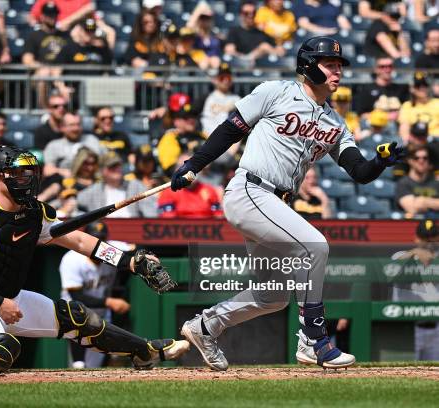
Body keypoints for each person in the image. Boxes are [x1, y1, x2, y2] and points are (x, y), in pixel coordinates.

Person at [170, 36, 406, 371]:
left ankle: (205, 327)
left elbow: (359, 171)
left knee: (273, 296)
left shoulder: (336, 123)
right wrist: (194, 164)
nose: (337, 70)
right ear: (309, 65)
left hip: (276, 203)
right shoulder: (276, 91)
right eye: (329, 64)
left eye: (339, 65)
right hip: (251, 189)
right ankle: (314, 340)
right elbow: (230, 129)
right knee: (314, 246)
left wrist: (380, 161)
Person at [0, 146, 188, 374]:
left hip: (11, 297)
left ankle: (144, 351)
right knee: (0, 352)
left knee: (78, 318)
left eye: (29, 173)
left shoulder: (35, 211)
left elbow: (79, 240)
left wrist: (128, 261)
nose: (26, 179)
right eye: (16, 173)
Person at [59, 221, 132, 368]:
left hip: (102, 315)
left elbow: (136, 249)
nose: (98, 244)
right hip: (75, 315)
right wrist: (110, 302)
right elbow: (77, 296)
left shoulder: (110, 252)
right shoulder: (72, 259)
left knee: (96, 366)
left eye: (102, 240)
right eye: (94, 240)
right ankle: (78, 364)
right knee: (79, 366)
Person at [391, 219, 439, 361]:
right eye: (425, 240)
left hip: (436, 329)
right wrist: (414, 253)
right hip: (408, 328)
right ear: (416, 238)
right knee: (404, 374)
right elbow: (390, 268)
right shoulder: (401, 256)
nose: (429, 244)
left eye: (433, 240)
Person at [77, 152, 157, 218]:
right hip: (102, 233)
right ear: (102, 170)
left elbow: (151, 214)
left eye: (118, 165)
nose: (117, 169)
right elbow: (77, 201)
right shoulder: (94, 190)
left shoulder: (136, 186)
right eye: (112, 166)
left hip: (132, 231)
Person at [158, 153, 222, 218]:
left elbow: (219, 217)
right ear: (176, 170)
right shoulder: (169, 192)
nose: (189, 170)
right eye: (183, 166)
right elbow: (168, 220)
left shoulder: (209, 190)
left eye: (193, 166)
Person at [43, 111, 105, 178]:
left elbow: (107, 161)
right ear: (62, 127)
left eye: (78, 124)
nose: (76, 128)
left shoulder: (92, 140)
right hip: (67, 184)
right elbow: (47, 171)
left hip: (94, 182)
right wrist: (63, 172)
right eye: (72, 125)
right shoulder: (54, 146)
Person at [224, 1, 285, 66]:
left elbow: (280, 51)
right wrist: (246, 59)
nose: (250, 15)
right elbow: (229, 50)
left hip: (263, 69)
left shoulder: (262, 33)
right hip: (241, 69)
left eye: (253, 13)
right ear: (241, 14)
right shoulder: (234, 32)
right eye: (246, 13)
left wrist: (262, 51)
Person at [157, 102, 207, 174]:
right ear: (176, 120)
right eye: (186, 117)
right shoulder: (170, 138)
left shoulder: (202, 135)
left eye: (193, 116)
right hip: (185, 181)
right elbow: (171, 169)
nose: (191, 119)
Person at [395, 146, 439, 217]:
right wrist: (434, 203)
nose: (421, 161)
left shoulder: (436, 182)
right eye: (416, 158)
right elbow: (412, 208)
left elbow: (417, 205)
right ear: (410, 160)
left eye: (425, 158)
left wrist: (422, 201)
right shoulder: (403, 183)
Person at [201, 62, 241, 136]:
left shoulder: (237, 99)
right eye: (222, 78)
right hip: (208, 138)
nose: (226, 81)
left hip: (230, 140)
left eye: (228, 78)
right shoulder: (205, 97)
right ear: (215, 80)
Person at [398, 73, 439, 143]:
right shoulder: (407, 106)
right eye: (418, 86)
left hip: (436, 139)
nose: (422, 88)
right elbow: (404, 127)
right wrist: (408, 140)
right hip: (415, 141)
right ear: (412, 89)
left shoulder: (437, 103)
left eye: (425, 85)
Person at [186, 2, 221, 70]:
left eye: (207, 18)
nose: (205, 20)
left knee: (216, 61)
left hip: (213, 62)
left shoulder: (215, 34)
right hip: (197, 61)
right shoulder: (194, 34)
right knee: (203, 63)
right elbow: (188, 27)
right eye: (202, 18)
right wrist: (199, 11)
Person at [28, 0, 94, 31]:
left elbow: (92, 22)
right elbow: (33, 18)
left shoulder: (84, 1)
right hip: (52, 34)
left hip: (76, 37)